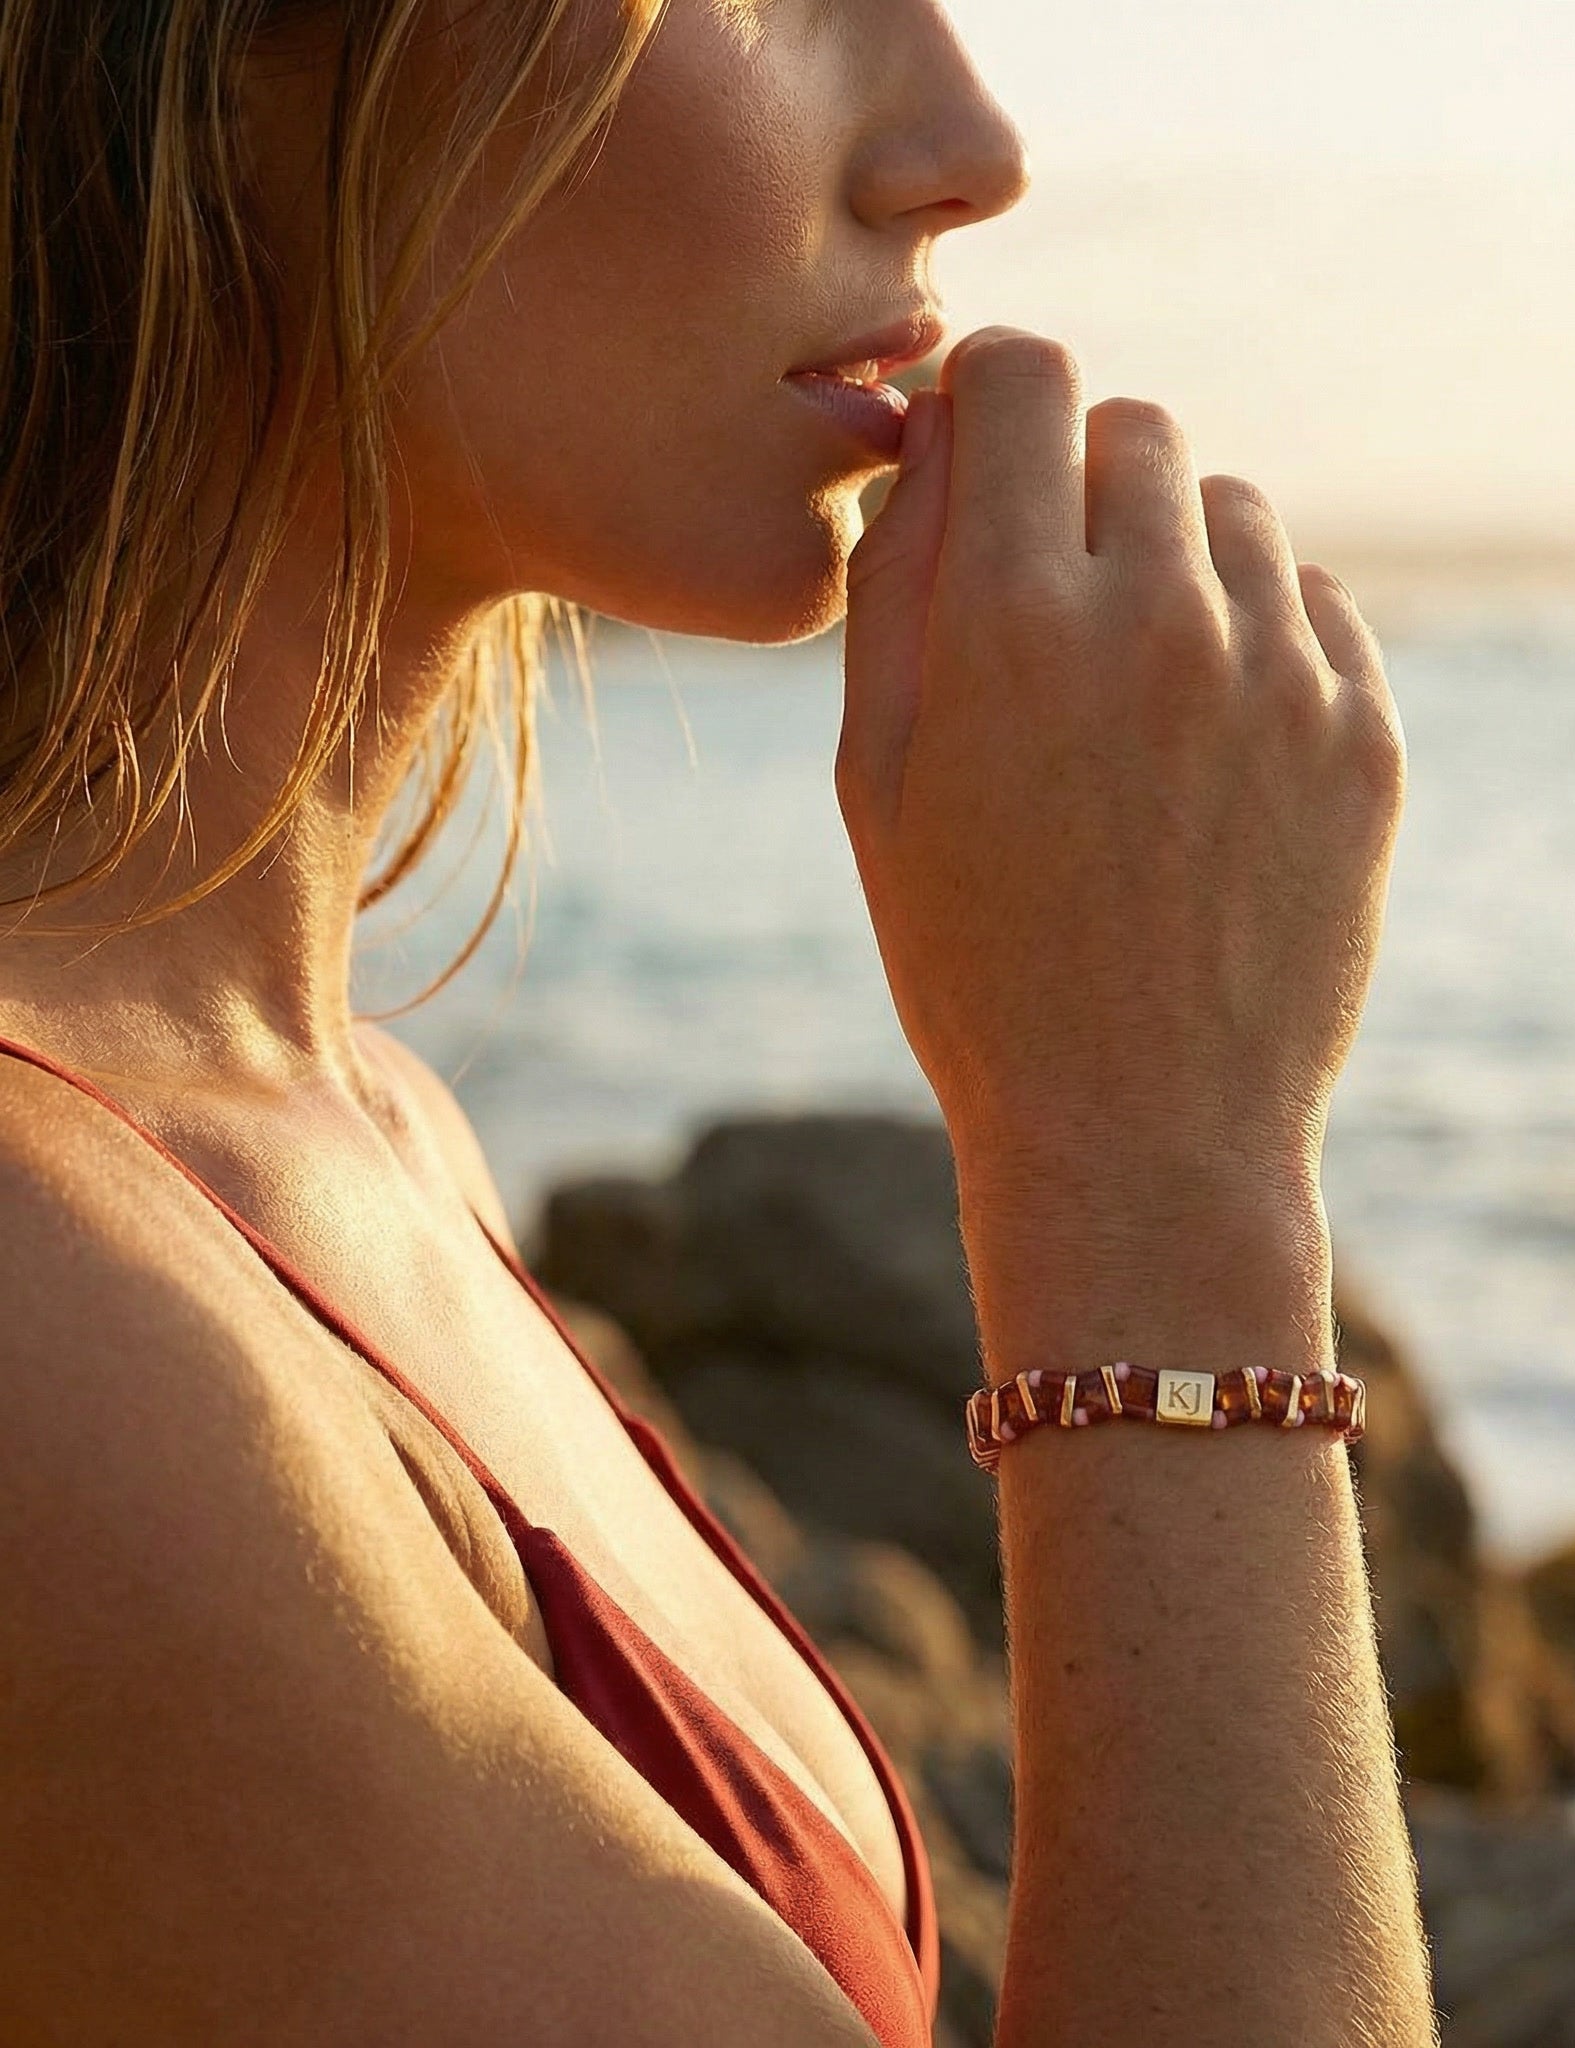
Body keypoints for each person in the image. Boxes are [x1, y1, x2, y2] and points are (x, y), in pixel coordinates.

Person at [0, 2, 1434, 2042]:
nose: (968, 146)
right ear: (221, 55)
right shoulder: (43, 1311)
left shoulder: (355, 1135)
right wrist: (1160, 1170)